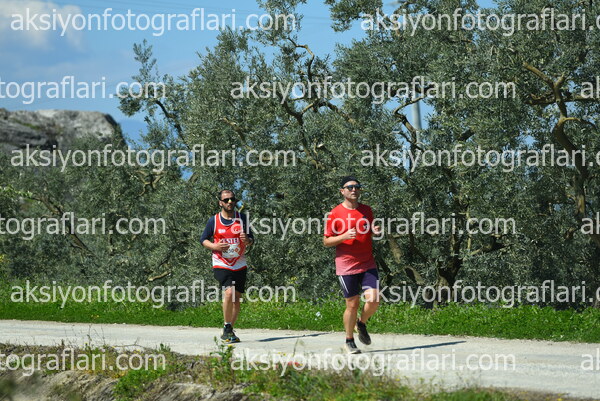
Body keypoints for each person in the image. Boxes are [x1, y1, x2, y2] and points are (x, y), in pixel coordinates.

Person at [323, 176, 381, 354]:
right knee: (352, 304)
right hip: (346, 265)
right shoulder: (335, 213)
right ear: (342, 191)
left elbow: (369, 231)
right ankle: (349, 341)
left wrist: (375, 231)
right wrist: (343, 237)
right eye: (349, 187)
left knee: (374, 299)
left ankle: (361, 323)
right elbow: (326, 241)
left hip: (367, 262)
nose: (354, 190)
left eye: (357, 187)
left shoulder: (366, 210)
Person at [201, 189, 253, 343]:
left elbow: (251, 239)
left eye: (232, 199)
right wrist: (215, 246)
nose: (230, 202)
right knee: (229, 293)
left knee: (237, 299)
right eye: (226, 200)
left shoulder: (242, 218)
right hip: (221, 262)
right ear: (220, 203)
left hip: (239, 262)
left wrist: (247, 240)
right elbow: (203, 239)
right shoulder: (214, 220)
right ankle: (227, 326)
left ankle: (229, 330)